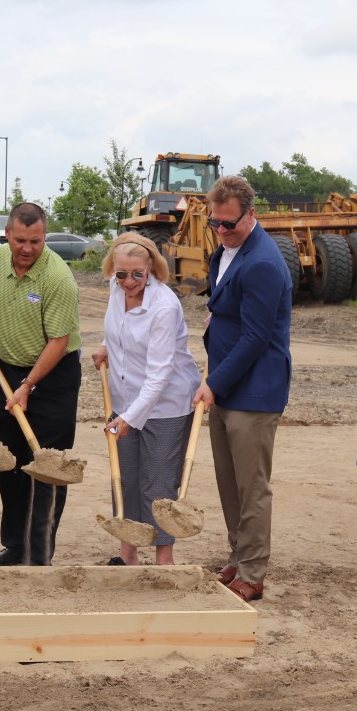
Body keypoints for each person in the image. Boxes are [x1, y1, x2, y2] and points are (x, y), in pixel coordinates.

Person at [193, 175, 292, 602]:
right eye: (214, 223)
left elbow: (256, 338)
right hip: (227, 384)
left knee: (252, 486)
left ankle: (253, 570)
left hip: (253, 390)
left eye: (228, 223)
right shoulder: (225, 252)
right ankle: (238, 553)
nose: (221, 230)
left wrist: (213, 383)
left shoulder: (263, 263)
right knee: (228, 481)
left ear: (251, 215)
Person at [0, 202, 82, 566]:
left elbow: (58, 342)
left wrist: (29, 386)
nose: (27, 248)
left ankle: (39, 556)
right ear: (7, 235)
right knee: (9, 462)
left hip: (53, 377)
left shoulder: (58, 278)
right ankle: (15, 546)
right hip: (9, 369)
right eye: (20, 240)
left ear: (45, 237)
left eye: (35, 241)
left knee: (46, 465)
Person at [91, 233, 200, 566]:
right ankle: (128, 553)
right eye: (121, 274)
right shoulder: (116, 288)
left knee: (158, 482)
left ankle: (163, 559)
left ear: (151, 267)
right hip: (124, 397)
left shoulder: (164, 306)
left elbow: (160, 374)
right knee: (125, 477)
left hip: (166, 403)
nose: (129, 281)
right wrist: (108, 346)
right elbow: (119, 328)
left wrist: (128, 418)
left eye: (137, 274)